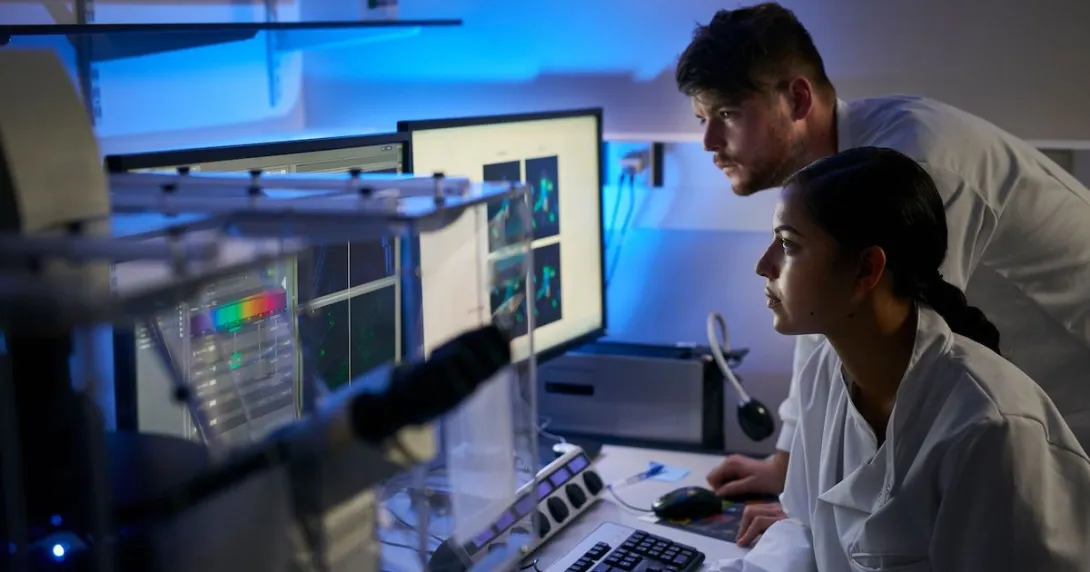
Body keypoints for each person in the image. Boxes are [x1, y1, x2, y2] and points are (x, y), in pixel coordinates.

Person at [675, 2, 1090, 539]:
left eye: (727, 114)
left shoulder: (913, 166)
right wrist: (791, 468)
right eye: (701, 120)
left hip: (1067, 400)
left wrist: (820, 514)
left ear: (797, 98)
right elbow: (829, 324)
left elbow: (913, 366)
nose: (708, 143)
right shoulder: (832, 186)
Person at [717, 146, 1090, 571]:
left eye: (787, 244)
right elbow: (804, 529)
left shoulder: (989, 427)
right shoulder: (824, 370)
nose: (764, 265)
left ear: (865, 270)